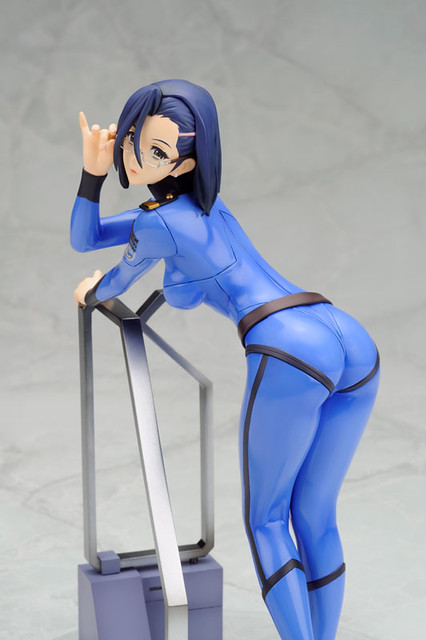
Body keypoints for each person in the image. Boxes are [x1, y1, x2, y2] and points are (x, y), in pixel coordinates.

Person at [71, 79, 379, 640]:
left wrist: (92, 291)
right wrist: (94, 170)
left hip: (287, 344)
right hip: (342, 331)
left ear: (187, 162)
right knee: (314, 515)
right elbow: (89, 236)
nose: (135, 156)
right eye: (134, 138)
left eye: (157, 150)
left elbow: (108, 276)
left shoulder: (160, 222)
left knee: (266, 520)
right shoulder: (205, 209)